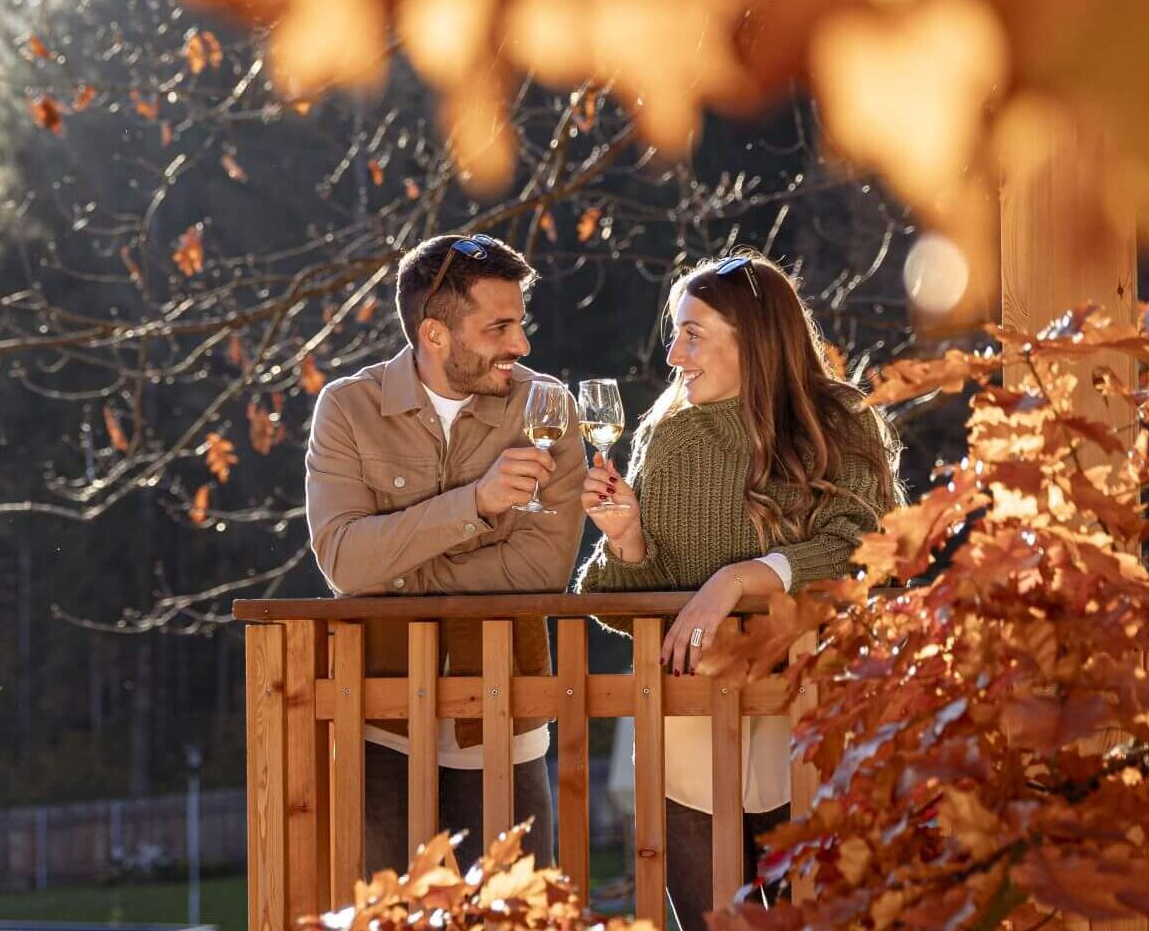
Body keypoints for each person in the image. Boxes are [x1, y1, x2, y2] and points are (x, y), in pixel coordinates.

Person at [574, 251, 903, 929]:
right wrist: (627, 537)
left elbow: (861, 549)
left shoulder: (839, 423)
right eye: (675, 331)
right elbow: (639, 602)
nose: (672, 354)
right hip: (690, 732)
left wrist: (739, 581)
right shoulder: (667, 437)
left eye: (692, 333)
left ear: (752, 338)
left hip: (811, 721)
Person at [303, 232, 585, 874]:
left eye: (521, 323)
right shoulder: (348, 408)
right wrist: (477, 506)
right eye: (500, 327)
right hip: (378, 716)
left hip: (504, 712)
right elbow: (344, 562)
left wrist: (397, 567)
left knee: (518, 920)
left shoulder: (548, 408)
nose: (522, 345)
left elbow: (540, 571)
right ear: (434, 335)